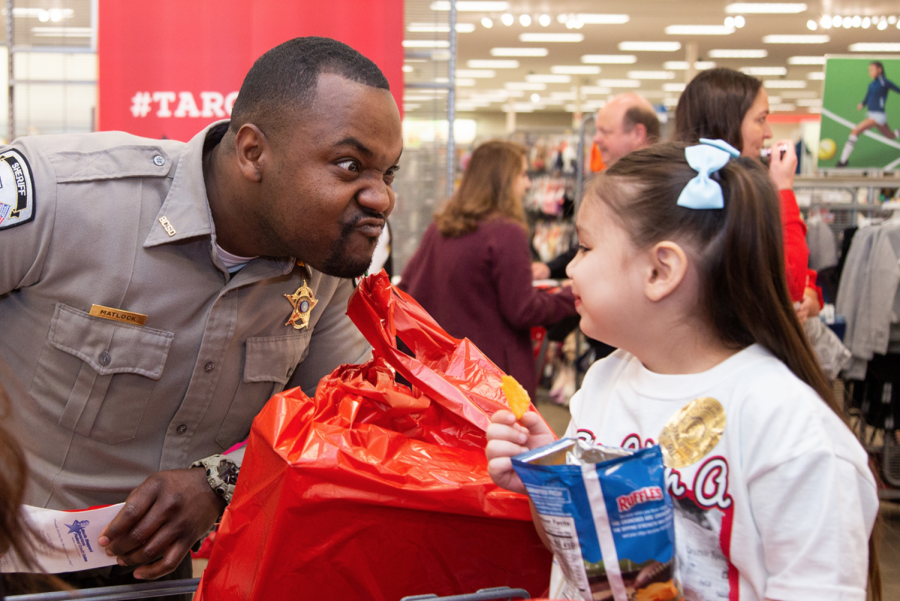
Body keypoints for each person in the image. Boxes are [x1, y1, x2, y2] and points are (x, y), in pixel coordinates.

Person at [0, 36, 402, 594]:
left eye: (388, 174)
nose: (380, 197)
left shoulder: (327, 269)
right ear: (253, 152)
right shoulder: (62, 197)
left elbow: (338, 419)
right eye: (350, 164)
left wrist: (218, 483)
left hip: (157, 579)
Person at [485, 141, 880, 600]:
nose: (570, 267)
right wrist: (550, 478)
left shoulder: (791, 432)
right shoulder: (606, 382)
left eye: (586, 247)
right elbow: (578, 560)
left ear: (660, 271)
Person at [399, 140, 576, 399]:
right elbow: (522, 310)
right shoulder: (507, 232)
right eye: (523, 174)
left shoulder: (441, 228)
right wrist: (570, 297)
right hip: (493, 378)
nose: (528, 183)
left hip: (443, 373)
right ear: (503, 179)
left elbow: (407, 289)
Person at [674, 67, 822, 323]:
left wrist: (808, 300)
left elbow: (807, 287)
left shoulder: (685, 187)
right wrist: (784, 190)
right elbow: (791, 283)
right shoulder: (717, 199)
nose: (769, 133)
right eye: (760, 119)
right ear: (727, 121)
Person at [531, 92, 659, 281]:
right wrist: (550, 269)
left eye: (605, 132)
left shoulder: (661, 191)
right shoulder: (617, 184)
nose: (596, 139)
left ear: (638, 133)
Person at [837, 61, 900, 168]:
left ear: (879, 69)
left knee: (855, 131)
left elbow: (897, 89)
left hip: (878, 115)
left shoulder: (884, 82)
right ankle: (898, 132)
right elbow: (868, 96)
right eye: (869, 70)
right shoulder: (871, 84)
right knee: (891, 136)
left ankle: (843, 161)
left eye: (872, 70)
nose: (870, 72)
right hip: (872, 114)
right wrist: (863, 103)